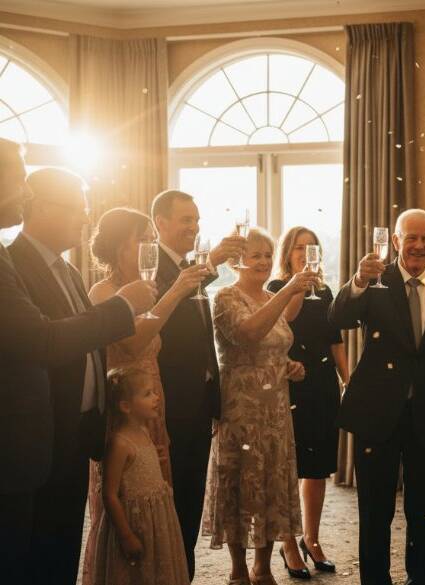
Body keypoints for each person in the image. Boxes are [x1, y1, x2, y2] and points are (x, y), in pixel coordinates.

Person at [0, 139, 155, 585]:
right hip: (33, 436)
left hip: (72, 435)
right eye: (76, 207)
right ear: (43, 209)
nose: (86, 218)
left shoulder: (67, 270)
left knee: (59, 549)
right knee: (28, 556)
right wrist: (123, 307)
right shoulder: (15, 263)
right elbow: (44, 342)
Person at [329, 208, 425, 585]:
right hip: (375, 414)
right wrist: (358, 278)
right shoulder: (374, 283)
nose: (419, 246)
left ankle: (420, 579)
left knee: (424, 509)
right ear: (395, 242)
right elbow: (337, 318)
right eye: (411, 237)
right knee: (375, 510)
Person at [81, 207, 209, 585]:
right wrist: (177, 290)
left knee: (157, 505)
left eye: (154, 239)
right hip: (123, 415)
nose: (152, 246)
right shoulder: (104, 292)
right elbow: (135, 343)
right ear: (122, 246)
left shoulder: (146, 289)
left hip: (153, 405)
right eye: (144, 239)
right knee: (128, 503)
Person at [203, 227, 317, 585]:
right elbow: (249, 334)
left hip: (275, 409)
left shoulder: (270, 296)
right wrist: (286, 292)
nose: (265, 262)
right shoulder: (225, 297)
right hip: (241, 408)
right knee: (240, 482)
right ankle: (238, 568)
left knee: (271, 483)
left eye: (268, 255)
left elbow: (273, 347)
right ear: (237, 261)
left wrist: (291, 368)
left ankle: (263, 566)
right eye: (256, 256)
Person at [150, 189, 245, 578]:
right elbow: (161, 316)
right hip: (170, 401)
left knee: (190, 497)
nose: (194, 226)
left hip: (199, 402)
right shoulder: (151, 268)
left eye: (196, 219)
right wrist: (213, 260)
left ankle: (182, 571)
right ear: (160, 223)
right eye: (185, 219)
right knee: (171, 499)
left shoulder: (189, 268)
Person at [268, 226, 349, 578]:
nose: (305, 253)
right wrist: (298, 285)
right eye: (299, 248)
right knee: (289, 468)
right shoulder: (275, 289)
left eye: (311, 248)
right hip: (290, 385)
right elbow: (285, 320)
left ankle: (311, 539)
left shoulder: (326, 290)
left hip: (322, 387)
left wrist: (348, 379)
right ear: (287, 253)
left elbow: (335, 340)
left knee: (316, 469)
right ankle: (288, 543)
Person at [91, 366, 190, 585]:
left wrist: (153, 458)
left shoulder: (143, 432)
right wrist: (126, 536)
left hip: (156, 521)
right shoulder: (119, 443)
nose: (156, 397)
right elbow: (109, 495)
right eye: (147, 394)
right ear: (125, 406)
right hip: (134, 522)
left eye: (154, 392)